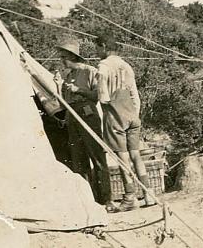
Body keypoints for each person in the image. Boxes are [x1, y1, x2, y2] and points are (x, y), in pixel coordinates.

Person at [94, 33, 156, 212]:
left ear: (104, 46)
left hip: (116, 115)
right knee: (136, 154)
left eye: (98, 48)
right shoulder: (126, 65)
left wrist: (109, 107)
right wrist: (133, 114)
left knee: (122, 157)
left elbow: (103, 97)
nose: (97, 51)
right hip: (131, 114)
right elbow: (135, 94)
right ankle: (148, 193)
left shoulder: (103, 66)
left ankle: (130, 197)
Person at [54, 38, 116, 212]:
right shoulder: (67, 76)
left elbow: (97, 95)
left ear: (73, 57)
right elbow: (63, 102)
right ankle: (88, 201)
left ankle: (106, 199)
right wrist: (59, 86)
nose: (62, 61)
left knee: (97, 157)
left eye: (64, 57)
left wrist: (78, 90)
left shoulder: (90, 71)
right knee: (78, 160)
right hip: (72, 115)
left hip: (87, 113)